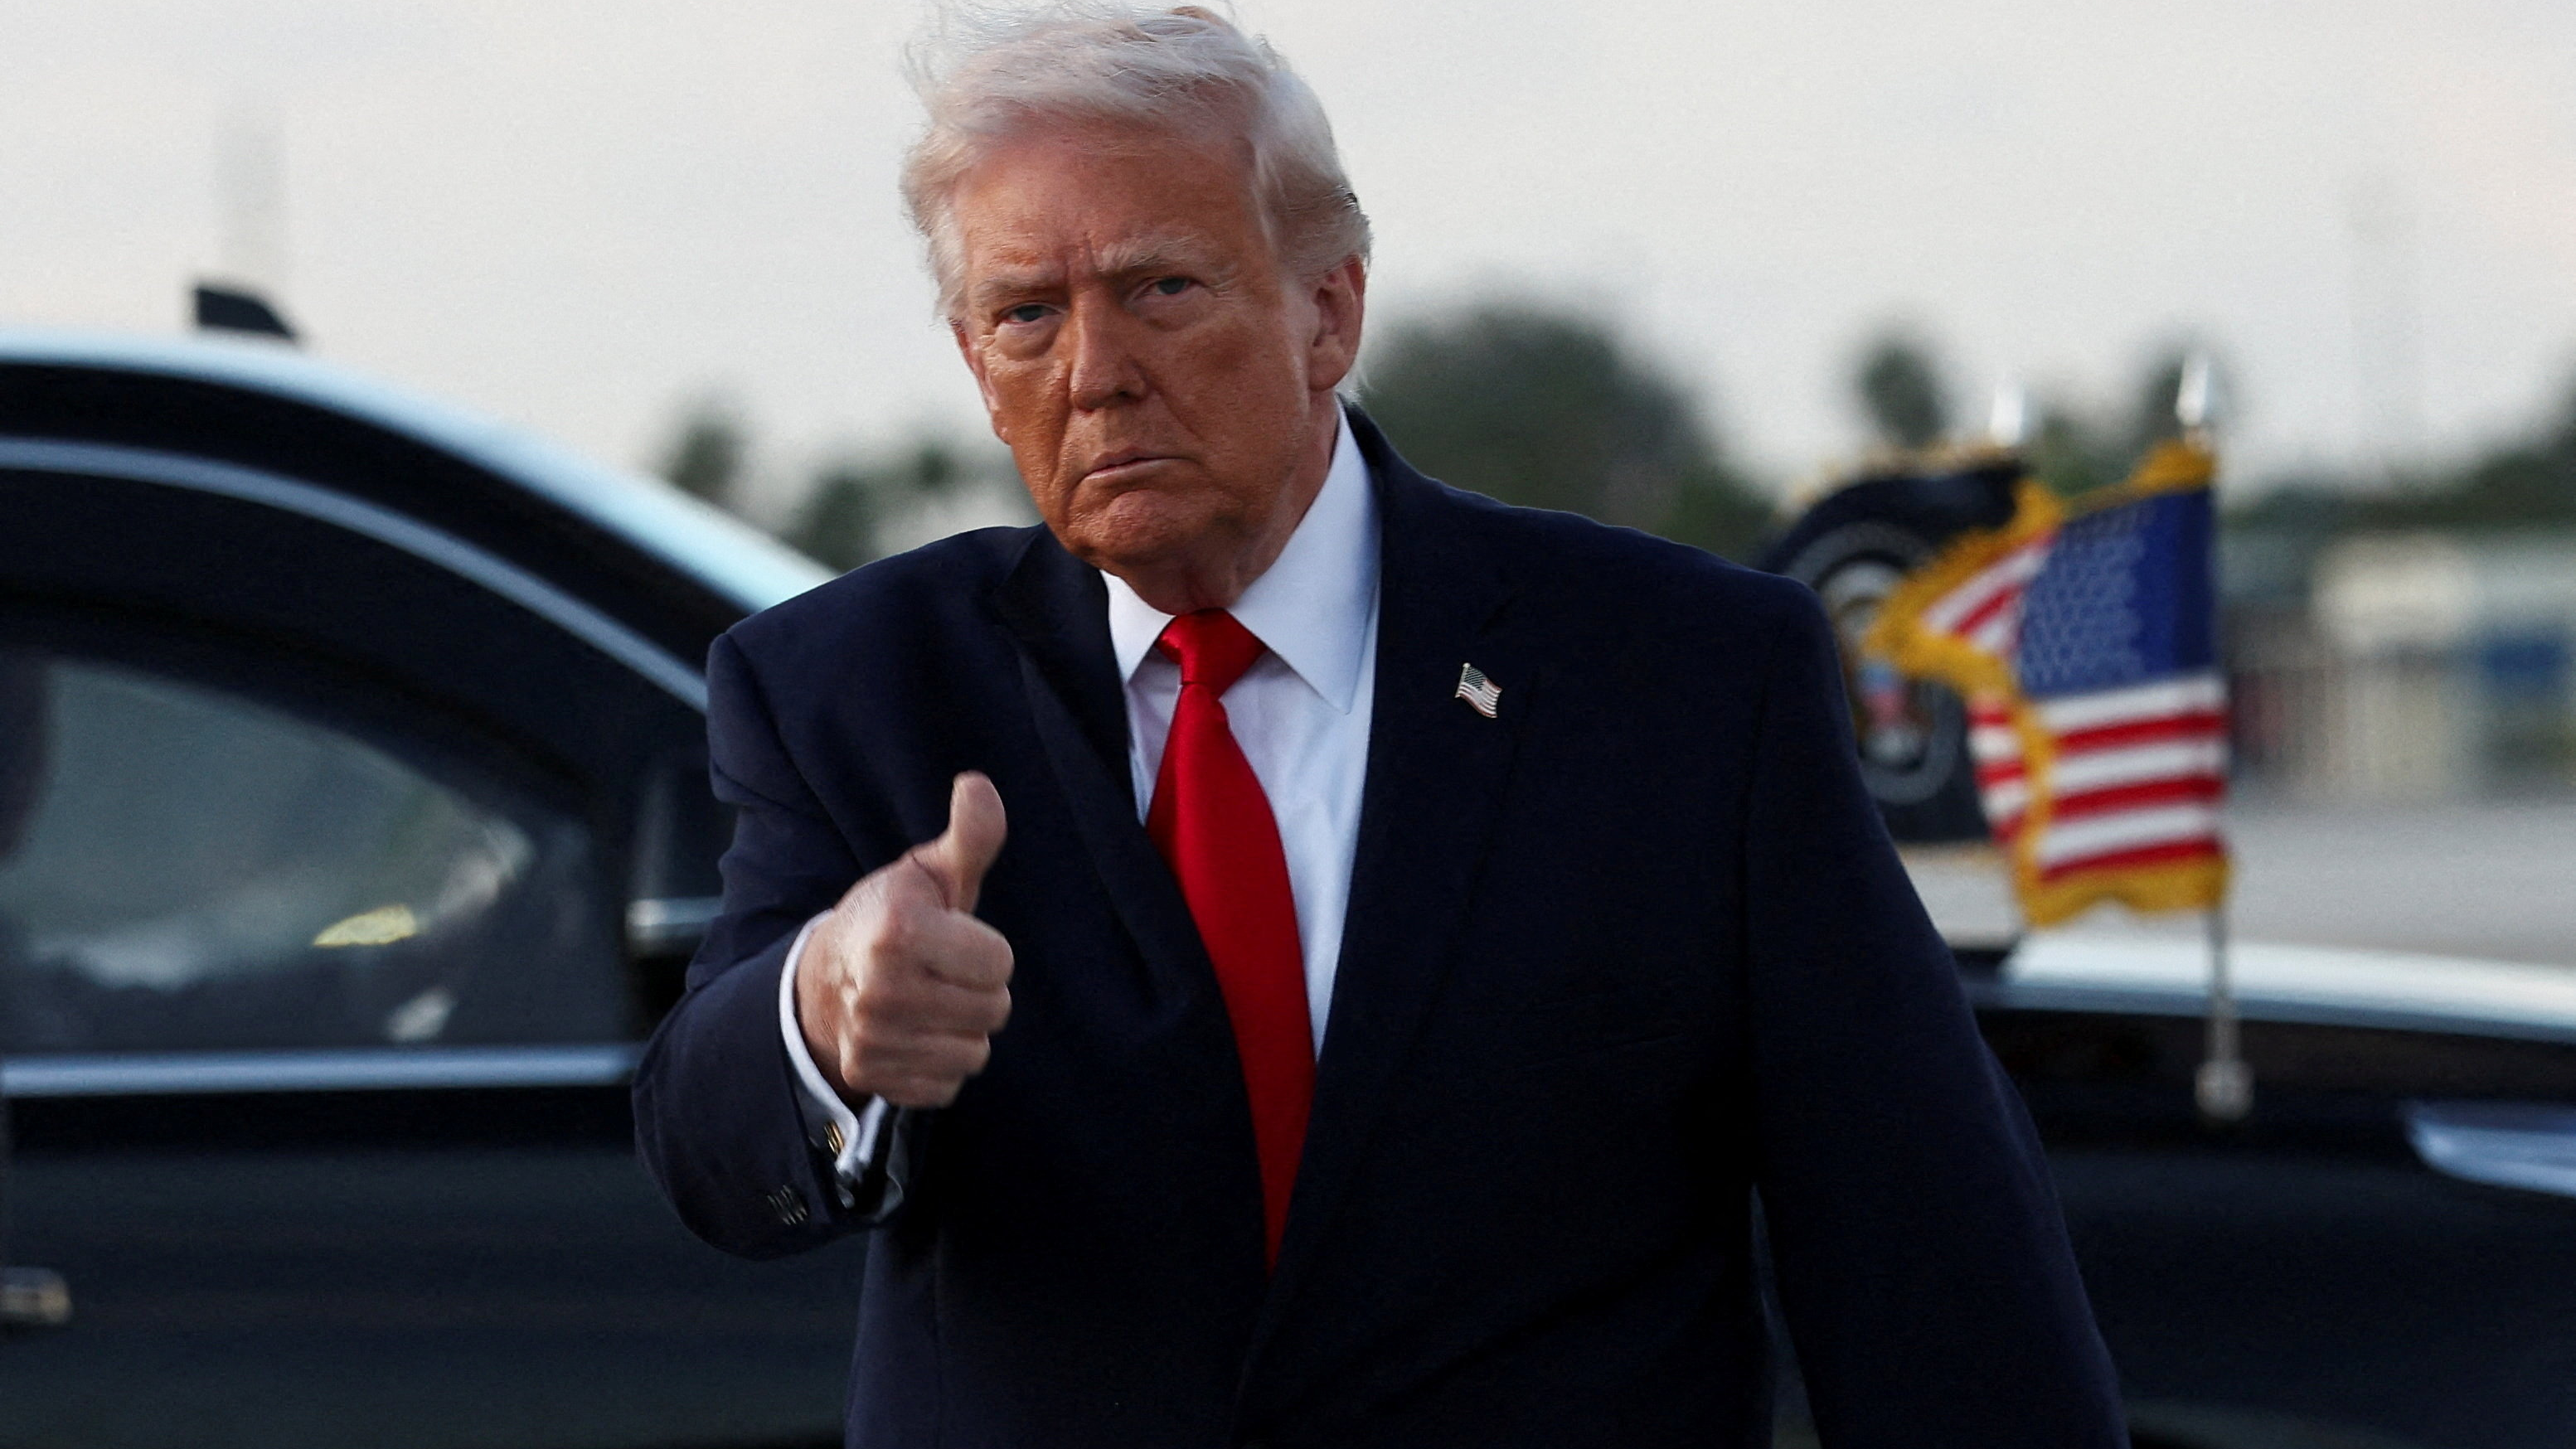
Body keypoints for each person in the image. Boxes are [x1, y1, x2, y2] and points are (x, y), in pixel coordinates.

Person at [633, 6, 2126, 1445]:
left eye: (1160, 288)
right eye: (1026, 315)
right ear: (975, 364)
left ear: (1328, 309)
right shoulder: (852, 689)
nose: (1092, 371)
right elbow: (708, 1152)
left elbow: (1926, 1258)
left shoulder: (1679, 681)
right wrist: (824, 1009)